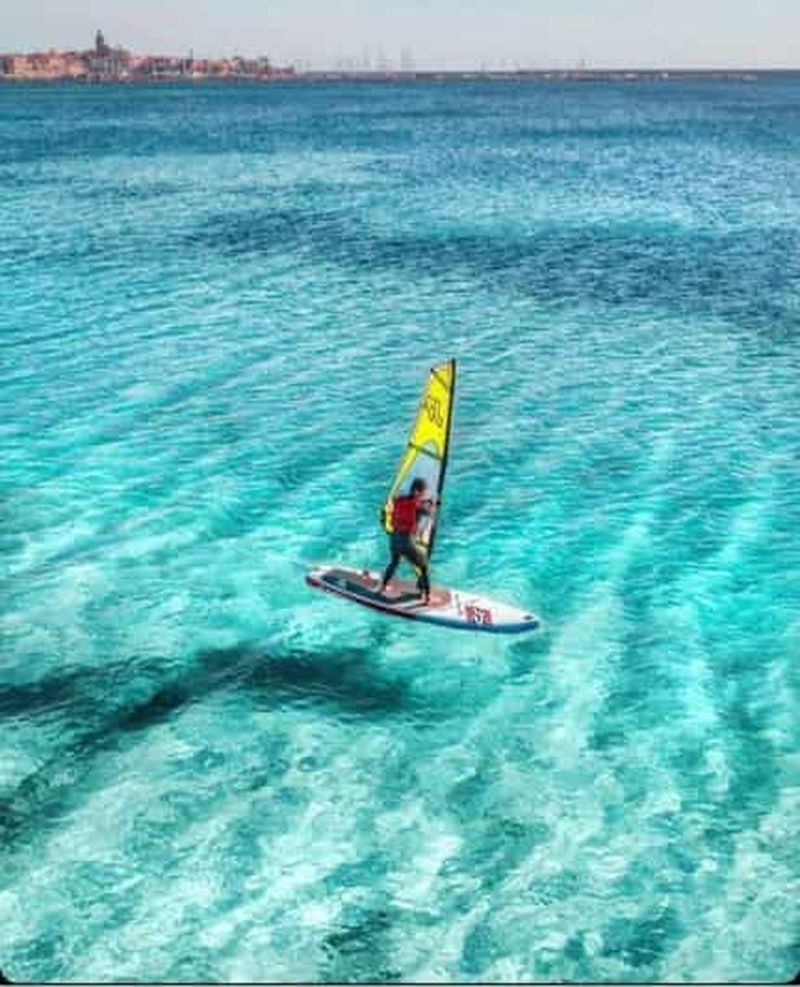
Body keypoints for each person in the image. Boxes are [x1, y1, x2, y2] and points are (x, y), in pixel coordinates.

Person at [380, 477, 438, 603]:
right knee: (424, 567)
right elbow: (430, 513)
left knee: (394, 562)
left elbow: (415, 503)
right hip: (406, 543)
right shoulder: (417, 506)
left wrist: (426, 502)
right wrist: (434, 504)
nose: (423, 494)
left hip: (394, 539)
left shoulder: (399, 500)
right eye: (423, 491)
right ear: (418, 491)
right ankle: (427, 597)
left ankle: (383, 587)